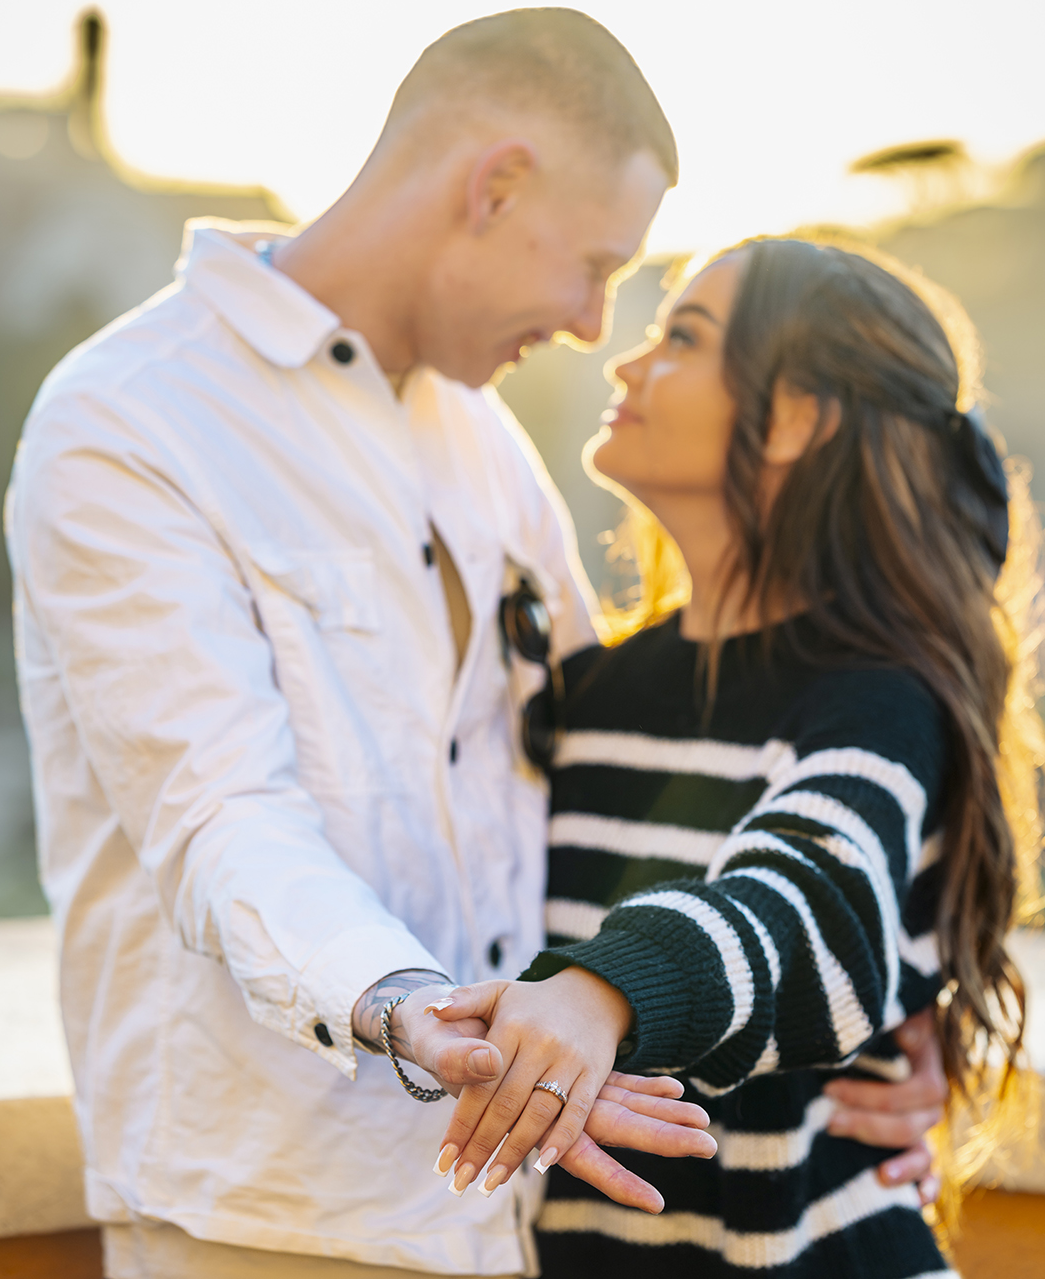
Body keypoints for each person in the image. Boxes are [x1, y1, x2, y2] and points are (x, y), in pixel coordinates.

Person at [8, 6, 940, 1279]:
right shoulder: (131, 423)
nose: (590, 320)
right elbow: (223, 817)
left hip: (510, 1216)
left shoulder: (486, 447)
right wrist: (408, 1015)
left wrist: (897, 999)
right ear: (495, 186)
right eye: (597, 265)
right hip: (270, 1220)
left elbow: (638, 749)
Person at [428, 239, 1039, 1276]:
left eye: (684, 338)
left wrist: (600, 992)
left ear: (798, 416)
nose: (627, 363)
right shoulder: (592, 696)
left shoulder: (880, 697)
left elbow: (813, 907)